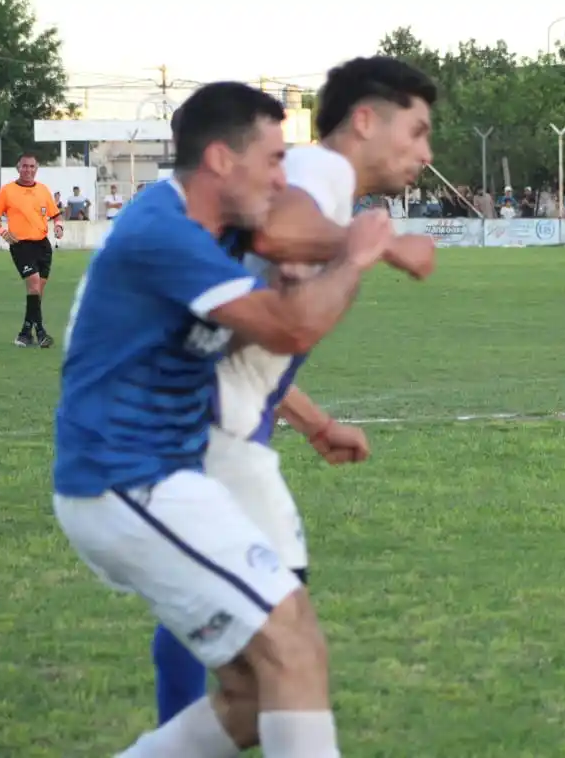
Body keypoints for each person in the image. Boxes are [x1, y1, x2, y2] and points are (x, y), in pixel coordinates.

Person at [52, 80, 397, 758]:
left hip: (163, 476)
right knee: (292, 642)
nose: (283, 177)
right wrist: (358, 252)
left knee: (253, 698)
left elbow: (240, 335)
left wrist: (314, 420)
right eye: (272, 160)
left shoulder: (211, 229)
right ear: (219, 161)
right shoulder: (163, 233)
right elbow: (291, 329)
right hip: (123, 478)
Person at [149, 56, 439, 749]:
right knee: (284, 652)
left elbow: (255, 339)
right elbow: (277, 231)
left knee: (247, 657)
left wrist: (316, 422)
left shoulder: (320, 184)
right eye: (419, 131)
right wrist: (385, 246)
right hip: (213, 437)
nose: (426, 153)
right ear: (365, 120)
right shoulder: (320, 173)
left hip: (225, 429)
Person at [0, 154, 64, 347]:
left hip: (43, 245)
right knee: (34, 284)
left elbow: (56, 215)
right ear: (18, 168)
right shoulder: (7, 191)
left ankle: (24, 333)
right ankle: (41, 333)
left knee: (38, 292)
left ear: (36, 168)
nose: (28, 170)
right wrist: (4, 233)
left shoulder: (43, 190)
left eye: (31, 167)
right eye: (24, 166)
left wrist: (59, 226)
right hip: (21, 246)